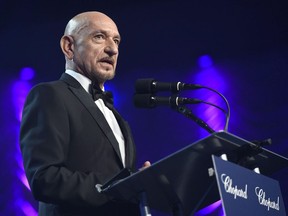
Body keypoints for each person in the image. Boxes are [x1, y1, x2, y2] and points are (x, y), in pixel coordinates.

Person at [20, 11, 150, 216]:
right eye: (99, 37)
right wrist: (118, 187)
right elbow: (44, 178)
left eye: (116, 40)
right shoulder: (50, 95)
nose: (112, 49)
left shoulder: (117, 116)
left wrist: (139, 183)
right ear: (69, 46)